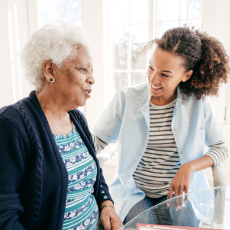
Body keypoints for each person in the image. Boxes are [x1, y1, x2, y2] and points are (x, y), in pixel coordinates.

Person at [92, 27, 230, 226]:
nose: (153, 79)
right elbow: (97, 141)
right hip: (134, 192)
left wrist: (188, 167)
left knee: (185, 222)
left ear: (186, 75)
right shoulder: (126, 99)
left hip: (178, 194)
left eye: (165, 75)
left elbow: (221, 148)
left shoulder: (199, 103)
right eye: (151, 68)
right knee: (144, 222)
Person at [0, 23, 123, 230]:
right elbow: (5, 214)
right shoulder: (11, 124)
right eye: (83, 69)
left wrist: (106, 204)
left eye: (91, 71)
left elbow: (95, 174)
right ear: (50, 70)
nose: (92, 79)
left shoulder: (77, 118)